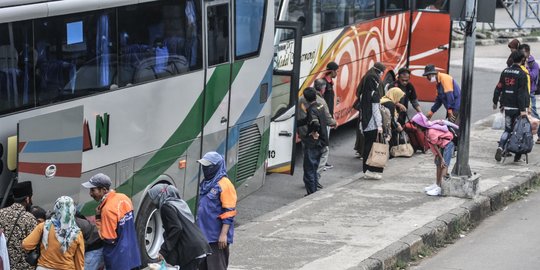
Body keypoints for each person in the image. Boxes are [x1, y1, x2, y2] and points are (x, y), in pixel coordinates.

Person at [81, 173, 141, 270]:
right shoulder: (124, 198)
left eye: (93, 190)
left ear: (104, 190)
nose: (90, 193)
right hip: (132, 252)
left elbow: (109, 238)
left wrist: (99, 218)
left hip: (118, 258)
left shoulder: (107, 210)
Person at [148, 184, 211, 270]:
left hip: (191, 251)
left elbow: (176, 229)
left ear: (159, 196)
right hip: (200, 246)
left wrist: (163, 250)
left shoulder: (166, 207)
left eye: (153, 198)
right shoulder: (180, 204)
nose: (153, 202)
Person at [197, 152, 237, 270]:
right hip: (204, 236)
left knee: (216, 266)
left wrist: (223, 235)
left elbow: (229, 212)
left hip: (216, 238)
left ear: (216, 166)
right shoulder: (207, 182)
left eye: (208, 166)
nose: (205, 169)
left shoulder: (225, 184)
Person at [22, 196, 84, 270]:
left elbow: (26, 245)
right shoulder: (76, 233)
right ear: (73, 210)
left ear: (56, 208)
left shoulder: (44, 226)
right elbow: (79, 261)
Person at [299, 80, 336, 189]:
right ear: (322, 89)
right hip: (316, 139)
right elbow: (324, 120)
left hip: (303, 134)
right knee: (320, 157)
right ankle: (314, 181)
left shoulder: (300, 99)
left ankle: (310, 182)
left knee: (307, 160)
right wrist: (334, 123)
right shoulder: (320, 104)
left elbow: (301, 117)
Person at [493, 50, 530, 162]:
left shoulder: (505, 71)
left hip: (507, 106)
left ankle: (500, 147)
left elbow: (498, 87)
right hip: (518, 108)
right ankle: (517, 155)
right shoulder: (522, 74)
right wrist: (524, 109)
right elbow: (521, 94)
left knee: (507, 130)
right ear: (522, 60)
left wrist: (495, 101)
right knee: (519, 132)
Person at [411, 113, 456, 196]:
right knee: (438, 164)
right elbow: (434, 145)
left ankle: (441, 188)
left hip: (448, 145)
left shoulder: (430, 132)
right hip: (442, 146)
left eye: (417, 126)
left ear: (421, 125)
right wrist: (438, 156)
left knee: (444, 165)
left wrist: (441, 158)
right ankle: (437, 184)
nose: (416, 128)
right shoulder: (427, 131)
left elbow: (434, 145)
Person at [0, 181, 37, 270]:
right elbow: (34, 244)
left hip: (3, 265)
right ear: (27, 199)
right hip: (22, 267)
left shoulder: (1, 213)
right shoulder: (30, 218)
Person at [360, 62, 386, 179]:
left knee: (366, 147)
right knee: (372, 148)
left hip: (364, 123)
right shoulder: (374, 95)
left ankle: (365, 170)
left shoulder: (363, 94)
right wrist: (380, 125)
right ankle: (371, 170)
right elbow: (376, 111)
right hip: (372, 124)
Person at [355, 62, 386, 158]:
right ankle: (365, 154)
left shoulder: (369, 76)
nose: (382, 74)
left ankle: (363, 152)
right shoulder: (371, 79)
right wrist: (379, 125)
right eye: (382, 72)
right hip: (369, 116)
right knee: (368, 138)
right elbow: (375, 111)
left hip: (365, 112)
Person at [322, 61, 339, 169]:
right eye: (336, 71)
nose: (337, 73)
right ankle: (321, 163)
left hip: (328, 115)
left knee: (326, 140)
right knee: (324, 140)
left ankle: (324, 161)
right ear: (332, 71)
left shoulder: (329, 82)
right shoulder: (324, 83)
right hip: (324, 117)